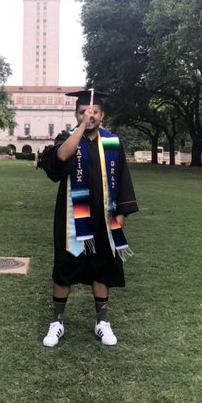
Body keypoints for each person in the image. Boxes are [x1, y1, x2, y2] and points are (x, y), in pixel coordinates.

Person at [39, 90, 138, 347]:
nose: (89, 115)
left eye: (93, 112)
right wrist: (81, 128)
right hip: (71, 218)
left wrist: (121, 213)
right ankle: (57, 322)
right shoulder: (68, 138)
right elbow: (60, 158)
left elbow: (124, 179)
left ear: (102, 115)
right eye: (83, 112)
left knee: (102, 269)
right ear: (76, 114)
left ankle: (102, 322)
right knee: (64, 268)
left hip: (104, 219)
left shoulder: (113, 142)